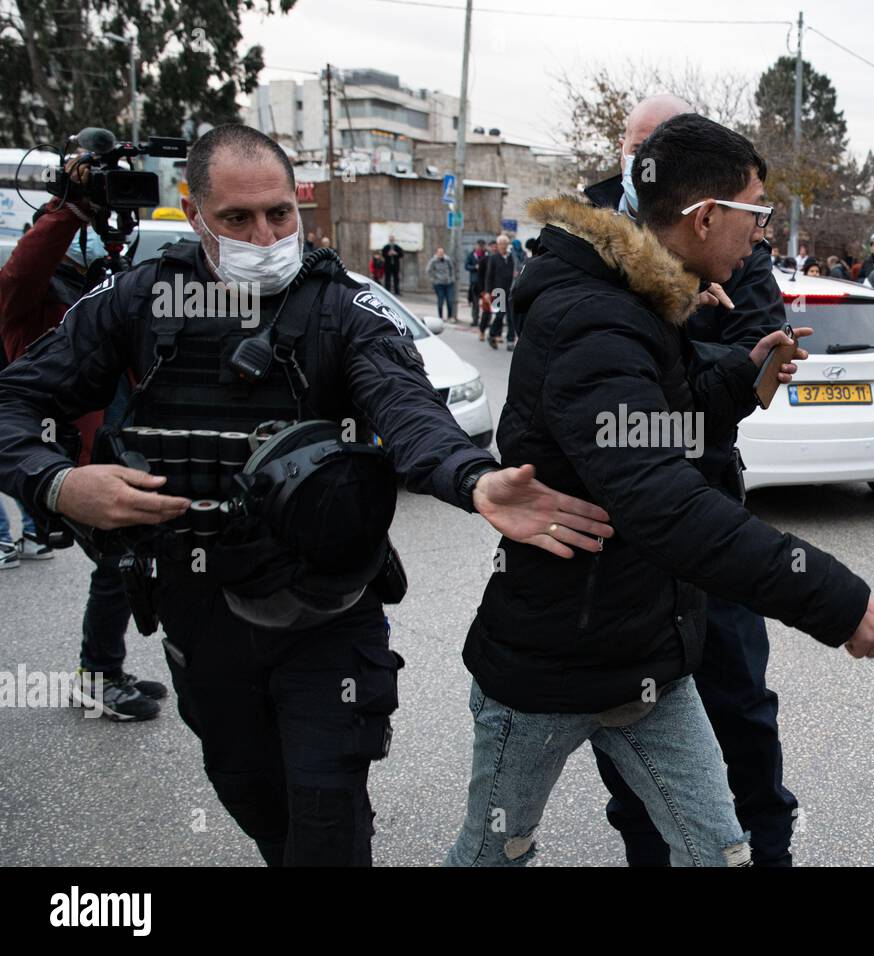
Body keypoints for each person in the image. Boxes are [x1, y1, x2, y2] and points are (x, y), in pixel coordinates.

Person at [0, 124, 613, 866]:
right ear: (194, 214)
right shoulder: (137, 301)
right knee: (252, 794)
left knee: (326, 811)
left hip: (326, 609)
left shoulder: (341, 308)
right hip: (201, 608)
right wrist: (61, 483)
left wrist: (472, 478)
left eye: (279, 213)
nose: (265, 234)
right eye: (238, 219)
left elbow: (407, 410)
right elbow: (14, 403)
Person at [444, 113, 874, 869]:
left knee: (719, 854)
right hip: (546, 670)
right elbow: (664, 502)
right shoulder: (592, 318)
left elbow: (656, 426)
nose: (760, 240)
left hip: (649, 660)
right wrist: (837, 600)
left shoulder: (641, 296)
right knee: (496, 850)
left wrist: (733, 374)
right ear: (704, 218)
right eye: (755, 218)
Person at [581, 93, 803, 868]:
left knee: (740, 704)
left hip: (708, 503)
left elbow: (761, 357)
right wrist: (687, 349)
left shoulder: (739, 244)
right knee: (630, 720)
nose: (653, 161)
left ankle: (765, 850)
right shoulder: (581, 235)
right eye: (643, 146)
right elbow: (584, 380)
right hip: (614, 531)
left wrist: (670, 372)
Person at [0, 158, 162, 719]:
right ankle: (98, 676)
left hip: (116, 440)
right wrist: (68, 207)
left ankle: (104, 668)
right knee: (117, 562)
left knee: (122, 561)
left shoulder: (91, 291)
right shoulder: (25, 300)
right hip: (68, 456)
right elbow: (27, 268)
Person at [483, 233, 516, 350]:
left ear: (507, 245)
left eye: (505, 244)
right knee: (500, 315)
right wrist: (487, 291)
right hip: (498, 291)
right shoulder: (494, 258)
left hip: (510, 292)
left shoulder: (511, 257)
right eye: (501, 244)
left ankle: (510, 340)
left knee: (511, 317)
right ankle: (492, 334)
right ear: (497, 245)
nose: (503, 246)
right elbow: (489, 276)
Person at [426, 245, 455, 320]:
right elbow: (428, 270)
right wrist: (433, 280)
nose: (441, 255)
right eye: (439, 253)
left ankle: (450, 316)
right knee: (440, 300)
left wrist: (451, 278)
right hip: (439, 283)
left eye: (442, 253)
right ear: (437, 253)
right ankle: (440, 316)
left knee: (449, 300)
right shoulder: (433, 261)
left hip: (448, 283)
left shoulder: (447, 260)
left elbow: (452, 269)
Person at [465, 238, 487, 324]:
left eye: (482, 246)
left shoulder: (487, 255)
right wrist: (475, 267)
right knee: (475, 302)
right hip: (474, 282)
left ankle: (485, 320)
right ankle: (475, 319)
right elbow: (466, 266)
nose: (480, 248)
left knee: (486, 302)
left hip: (485, 282)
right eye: (479, 246)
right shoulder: (471, 255)